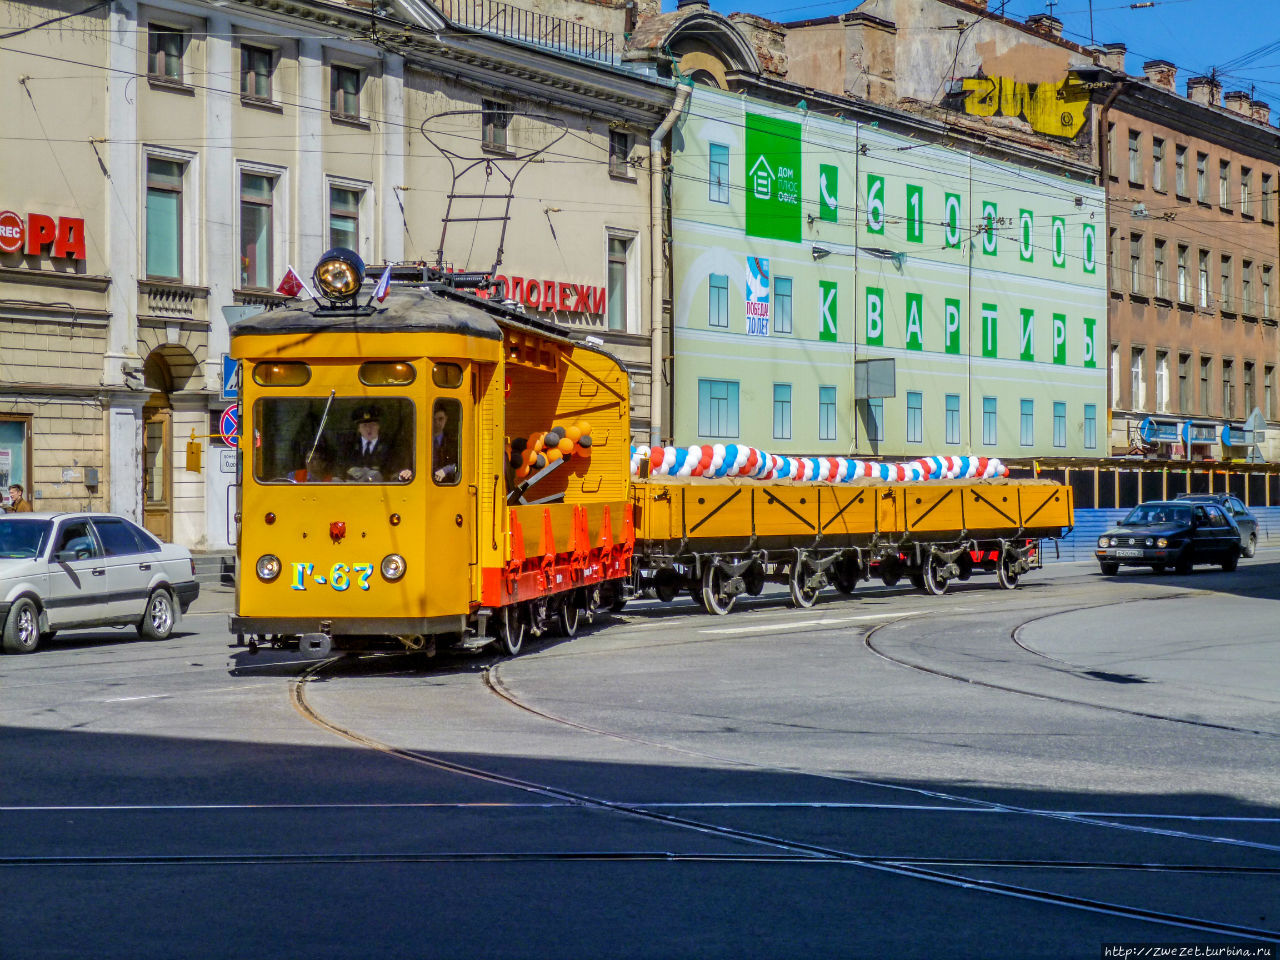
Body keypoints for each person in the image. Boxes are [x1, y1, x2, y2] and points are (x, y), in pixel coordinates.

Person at [340, 406, 411, 482]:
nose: (368, 429)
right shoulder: (348, 447)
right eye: (364, 425)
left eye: (372, 425)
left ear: (378, 426)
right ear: (358, 429)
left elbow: (396, 473)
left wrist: (401, 476)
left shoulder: (391, 447)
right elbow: (340, 472)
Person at [431, 406, 458, 483]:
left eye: (440, 419)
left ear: (446, 419)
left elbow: (458, 466)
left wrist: (446, 470)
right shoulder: (419, 442)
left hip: (448, 486)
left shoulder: (453, 443)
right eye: (434, 420)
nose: (437, 423)